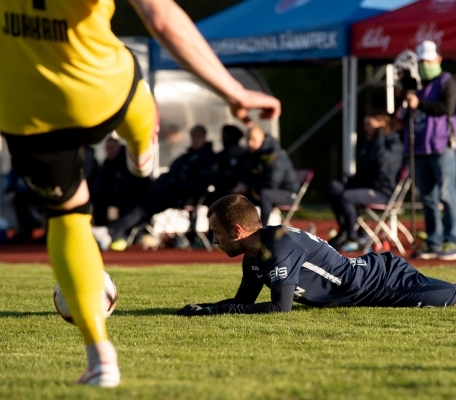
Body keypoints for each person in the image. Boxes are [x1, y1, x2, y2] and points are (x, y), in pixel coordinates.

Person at [0, 0, 280, 387]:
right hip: (94, 87)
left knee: (66, 216)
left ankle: (100, 356)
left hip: (26, 105)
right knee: (129, 75)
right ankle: (140, 144)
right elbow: (162, 19)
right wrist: (235, 91)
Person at [176, 194, 456, 317]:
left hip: (385, 285)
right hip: (375, 275)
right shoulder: (255, 252)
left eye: (216, 234)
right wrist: (209, 308)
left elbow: (278, 308)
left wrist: (216, 313)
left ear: (238, 231)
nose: (213, 241)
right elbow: (246, 300)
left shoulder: (278, 247)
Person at [92, 125, 218, 251]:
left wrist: (173, 187)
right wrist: (157, 186)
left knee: (143, 207)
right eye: (193, 137)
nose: (195, 141)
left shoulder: (207, 159)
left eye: (198, 138)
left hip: (185, 198)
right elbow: (168, 175)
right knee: (137, 199)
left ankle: (112, 233)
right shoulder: (184, 157)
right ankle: (123, 233)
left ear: (204, 138)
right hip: (170, 194)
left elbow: (199, 184)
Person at [402, 40, 456, 261]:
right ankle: (434, 241)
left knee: (447, 196)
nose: (425, 64)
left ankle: (451, 241)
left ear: (438, 59)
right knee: (428, 199)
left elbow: (448, 108)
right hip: (419, 148)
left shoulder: (448, 81)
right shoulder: (417, 86)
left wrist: (420, 104)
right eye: (421, 61)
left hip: (442, 147)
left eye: (428, 60)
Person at [327, 110, 403, 252]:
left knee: (346, 197)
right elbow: (365, 172)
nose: (366, 128)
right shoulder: (370, 144)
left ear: (382, 125)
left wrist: (379, 135)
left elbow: (382, 161)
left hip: (383, 192)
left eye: (369, 124)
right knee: (333, 187)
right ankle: (346, 230)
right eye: (365, 124)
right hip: (366, 188)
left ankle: (352, 235)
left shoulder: (394, 143)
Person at [233, 125, 300, 226]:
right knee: (237, 196)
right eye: (247, 140)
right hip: (266, 190)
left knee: (265, 194)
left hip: (288, 193)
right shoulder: (252, 154)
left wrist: (247, 187)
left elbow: (272, 182)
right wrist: (241, 184)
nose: (249, 143)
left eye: (253, 140)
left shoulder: (274, 155)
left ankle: (263, 229)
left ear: (262, 139)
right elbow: (246, 173)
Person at [91, 136, 151, 227]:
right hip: (116, 195)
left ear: (118, 147)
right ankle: (101, 227)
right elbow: (103, 183)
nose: (110, 151)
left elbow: (131, 183)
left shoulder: (128, 160)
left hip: (135, 194)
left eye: (112, 148)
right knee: (99, 201)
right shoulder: (107, 164)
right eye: (108, 149)